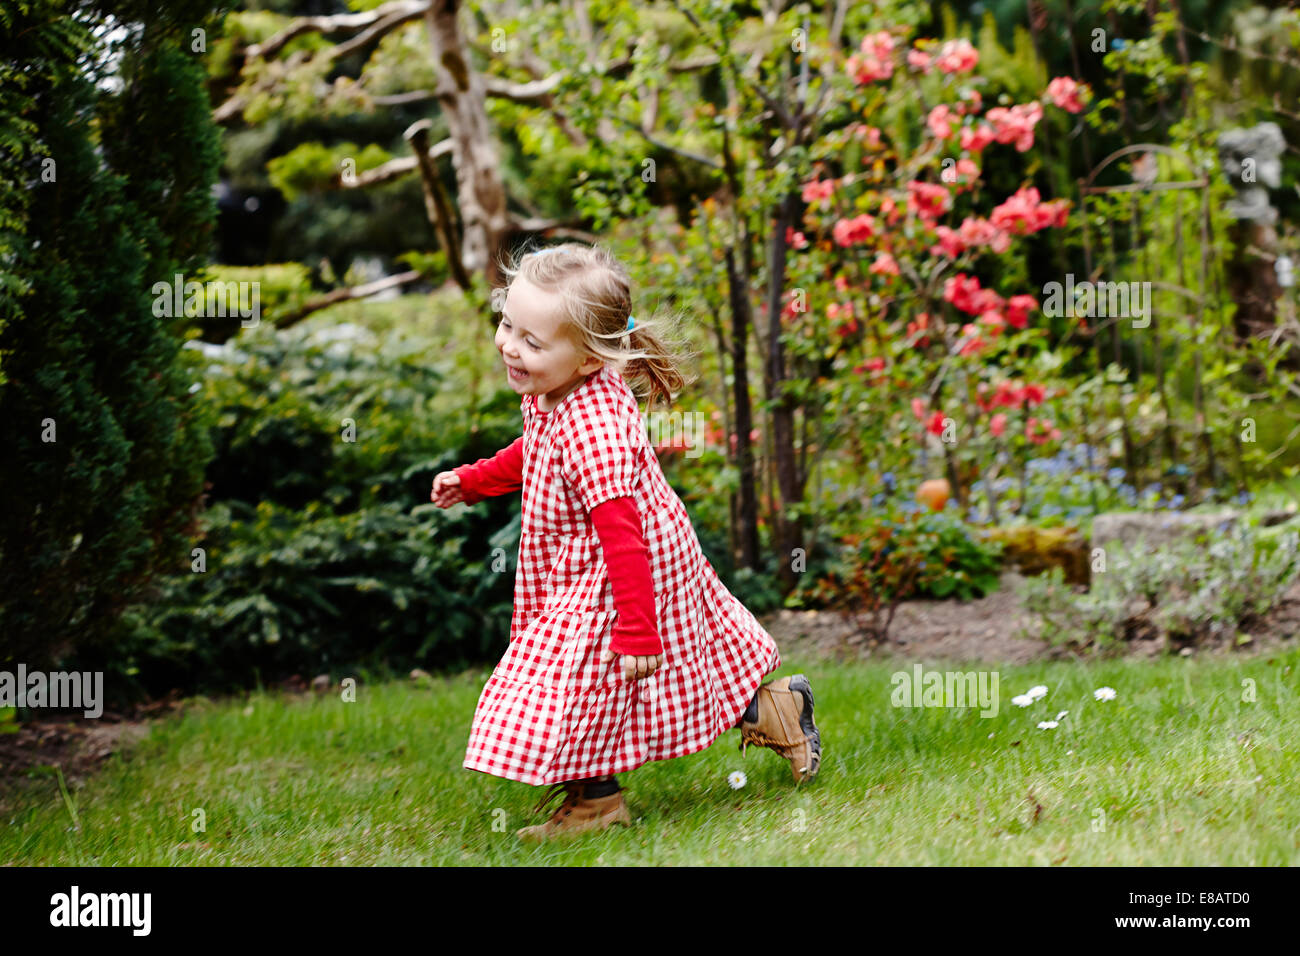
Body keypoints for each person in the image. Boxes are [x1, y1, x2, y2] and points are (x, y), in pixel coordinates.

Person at [430, 242, 821, 841]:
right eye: (508, 324)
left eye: (533, 341)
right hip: (598, 565)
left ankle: (597, 806)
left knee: (575, 684)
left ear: (589, 359)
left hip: (623, 571)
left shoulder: (593, 426)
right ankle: (775, 709)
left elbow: (623, 535)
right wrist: (474, 481)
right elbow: (533, 456)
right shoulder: (557, 392)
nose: (510, 344)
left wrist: (637, 627)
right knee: (642, 682)